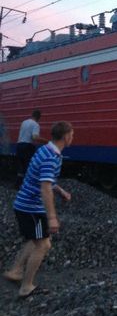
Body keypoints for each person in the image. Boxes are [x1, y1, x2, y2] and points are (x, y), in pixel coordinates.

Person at [3, 121, 73, 298]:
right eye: (72, 134)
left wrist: (61, 191)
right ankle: (26, 287)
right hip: (31, 208)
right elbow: (45, 187)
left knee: (35, 239)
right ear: (66, 136)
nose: (72, 137)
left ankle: (16, 270)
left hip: (25, 205)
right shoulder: (51, 157)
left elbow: (45, 179)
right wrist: (52, 217)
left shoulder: (44, 150)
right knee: (43, 244)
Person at [16, 110, 48, 188]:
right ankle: (28, 185)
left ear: (32, 115)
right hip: (28, 146)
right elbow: (34, 137)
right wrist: (46, 141)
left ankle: (17, 184)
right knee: (29, 166)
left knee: (21, 166)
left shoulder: (24, 122)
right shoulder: (35, 124)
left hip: (19, 145)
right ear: (39, 117)